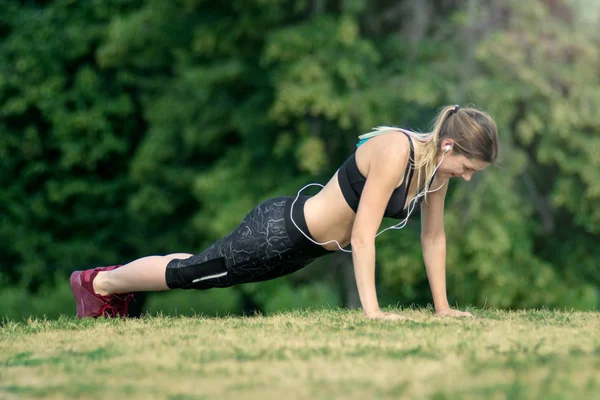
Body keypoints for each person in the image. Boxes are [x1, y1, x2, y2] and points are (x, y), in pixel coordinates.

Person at [70, 104, 499, 320]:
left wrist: (442, 308)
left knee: (199, 273)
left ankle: (109, 287)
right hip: (278, 232)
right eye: (467, 167)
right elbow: (364, 234)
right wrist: (373, 314)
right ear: (448, 146)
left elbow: (434, 237)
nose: (466, 178)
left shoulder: (435, 175)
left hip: (301, 252)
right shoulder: (396, 151)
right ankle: (100, 282)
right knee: (192, 272)